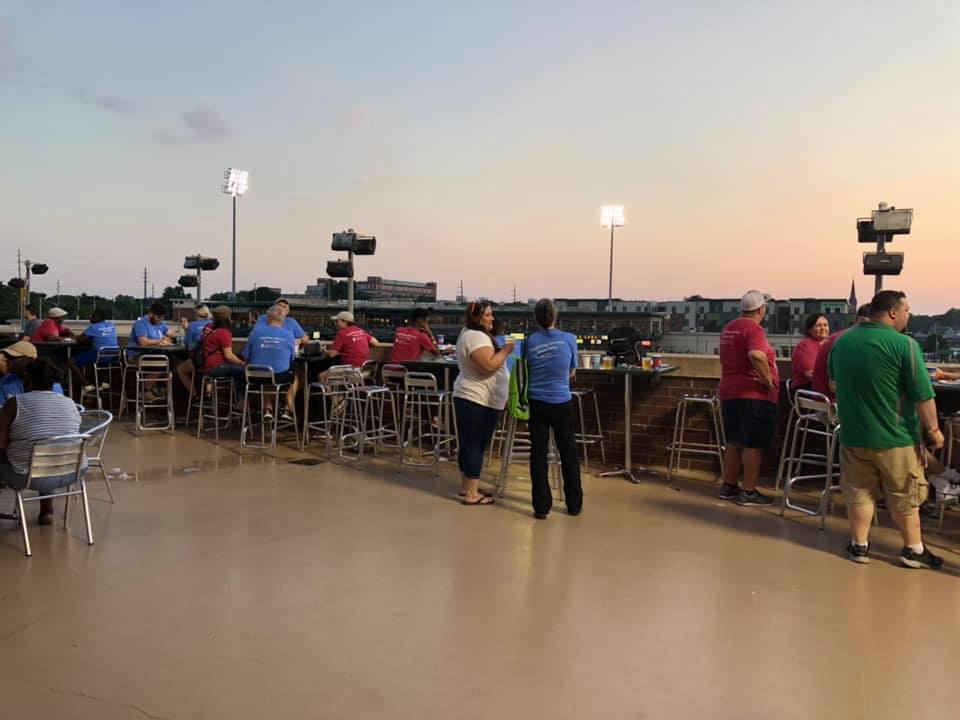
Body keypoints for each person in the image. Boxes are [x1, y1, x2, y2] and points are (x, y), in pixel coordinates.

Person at [829, 290, 944, 569]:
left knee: (859, 492)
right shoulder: (905, 345)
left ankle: (859, 545)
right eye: (907, 310)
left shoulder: (842, 342)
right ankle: (913, 550)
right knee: (904, 495)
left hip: (853, 435)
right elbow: (923, 395)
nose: (908, 315)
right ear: (893, 312)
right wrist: (934, 430)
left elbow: (834, 384)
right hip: (896, 437)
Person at [0, 358, 83, 525]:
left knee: (28, 459)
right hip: (73, 471)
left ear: (28, 381)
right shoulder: (70, 403)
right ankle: (46, 511)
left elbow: (1, 442)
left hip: (26, 476)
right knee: (48, 454)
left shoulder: (15, 403)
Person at [718, 290, 779, 506]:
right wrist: (767, 380)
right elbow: (756, 354)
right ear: (761, 309)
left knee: (733, 441)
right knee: (753, 444)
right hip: (753, 395)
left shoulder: (729, 327)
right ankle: (749, 492)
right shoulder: (754, 329)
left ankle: (729, 486)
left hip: (729, 391)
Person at [525, 299, 582, 519]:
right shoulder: (569, 339)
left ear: (536, 319)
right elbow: (571, 372)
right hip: (561, 402)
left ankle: (541, 507)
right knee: (568, 452)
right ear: (555, 316)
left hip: (536, 402)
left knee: (538, 454)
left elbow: (526, 368)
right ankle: (574, 504)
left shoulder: (530, 341)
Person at [453, 301, 514, 505]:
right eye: (487, 315)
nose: (492, 318)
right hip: (477, 398)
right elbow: (487, 365)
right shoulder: (476, 337)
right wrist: (506, 350)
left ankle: (467, 486)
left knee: (469, 443)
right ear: (477, 318)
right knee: (476, 444)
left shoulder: (468, 333)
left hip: (473, 397)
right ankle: (472, 494)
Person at [243, 304, 299, 421]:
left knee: (264, 373)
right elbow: (291, 359)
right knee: (294, 376)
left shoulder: (255, 332)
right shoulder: (289, 335)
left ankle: (267, 409)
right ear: (282, 320)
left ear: (268, 319)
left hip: (254, 377)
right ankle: (287, 408)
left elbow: (246, 355)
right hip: (279, 377)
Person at [811, 304, 871, 398]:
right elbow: (835, 386)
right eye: (875, 326)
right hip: (830, 401)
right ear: (862, 321)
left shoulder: (843, 336)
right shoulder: (846, 341)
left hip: (826, 397)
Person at [68, 309, 119, 395]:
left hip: (100, 354)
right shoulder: (111, 325)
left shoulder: (93, 327)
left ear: (97, 317)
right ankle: (104, 382)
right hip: (114, 355)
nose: (90, 318)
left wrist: (72, 336)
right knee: (94, 362)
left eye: (92, 316)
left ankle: (87, 385)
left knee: (71, 361)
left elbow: (80, 339)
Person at [200, 305, 246, 398]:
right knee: (244, 372)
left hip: (207, 366)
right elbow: (229, 356)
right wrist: (242, 363)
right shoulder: (224, 333)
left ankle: (237, 401)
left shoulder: (211, 329)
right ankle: (241, 402)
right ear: (227, 319)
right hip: (216, 367)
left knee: (237, 372)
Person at [0, 341, 64, 405]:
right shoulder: (4, 382)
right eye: (6, 357)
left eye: (12, 357)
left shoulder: (49, 381)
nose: (7, 360)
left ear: (28, 360)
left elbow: (54, 408)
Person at [176, 306, 212, 395]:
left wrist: (186, 329)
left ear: (196, 314)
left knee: (180, 369)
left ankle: (194, 395)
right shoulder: (213, 324)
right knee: (209, 371)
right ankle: (208, 394)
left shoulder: (192, 325)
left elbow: (188, 345)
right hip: (215, 361)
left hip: (200, 361)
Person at [790, 313, 829, 392]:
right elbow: (810, 375)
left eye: (825, 325)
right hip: (807, 388)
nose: (823, 328)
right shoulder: (804, 346)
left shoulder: (829, 344)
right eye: (818, 326)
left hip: (824, 386)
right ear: (809, 329)